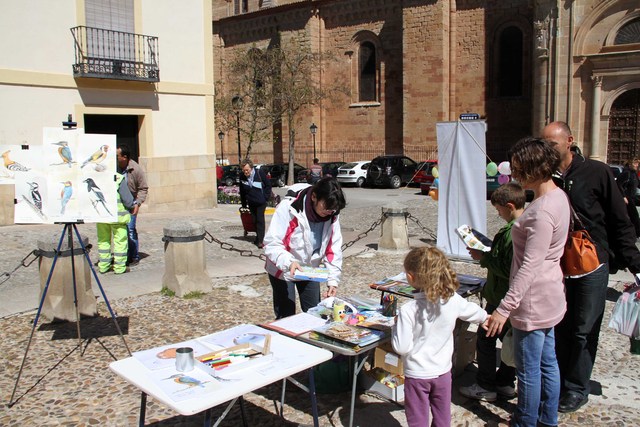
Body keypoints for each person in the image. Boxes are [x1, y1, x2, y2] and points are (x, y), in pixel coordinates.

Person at [542, 121, 640, 412]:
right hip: (559, 263)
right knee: (560, 324)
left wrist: (635, 263)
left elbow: (620, 220)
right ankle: (557, 380)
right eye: (543, 144)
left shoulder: (597, 172)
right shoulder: (547, 177)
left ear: (570, 141)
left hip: (592, 263)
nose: (548, 149)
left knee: (584, 328)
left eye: (553, 144)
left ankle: (576, 387)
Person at [484, 137, 569, 427]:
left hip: (532, 301)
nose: (515, 173)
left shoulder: (543, 212)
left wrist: (504, 308)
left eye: (519, 168)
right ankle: (548, 419)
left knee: (529, 369)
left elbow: (530, 265)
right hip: (549, 294)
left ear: (534, 168)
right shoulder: (557, 197)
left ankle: (527, 422)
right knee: (548, 362)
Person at [392, 247, 487, 427]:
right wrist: (485, 318)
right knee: (442, 414)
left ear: (411, 277)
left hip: (417, 374)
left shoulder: (408, 310)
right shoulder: (452, 300)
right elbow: (471, 311)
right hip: (443, 371)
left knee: (418, 417)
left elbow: (402, 347)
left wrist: (395, 326)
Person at [459, 182, 525, 402]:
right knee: (508, 340)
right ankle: (505, 382)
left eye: (498, 210)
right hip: (507, 295)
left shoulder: (513, 231)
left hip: (501, 297)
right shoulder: (523, 225)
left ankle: (485, 385)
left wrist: (483, 258)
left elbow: (509, 268)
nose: (498, 214)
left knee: (486, 340)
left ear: (509, 206)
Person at [263, 177, 346, 318]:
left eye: (332, 210)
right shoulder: (289, 208)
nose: (329, 212)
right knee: (286, 316)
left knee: (315, 313)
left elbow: (333, 249)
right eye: (326, 208)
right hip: (283, 268)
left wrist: (333, 281)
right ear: (314, 197)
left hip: (310, 269)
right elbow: (272, 243)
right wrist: (289, 262)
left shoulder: (332, 214)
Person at [116, 146, 149, 266]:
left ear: (124, 157)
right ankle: (122, 255)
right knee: (119, 231)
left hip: (131, 204)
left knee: (130, 230)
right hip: (117, 205)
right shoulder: (114, 167)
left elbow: (143, 188)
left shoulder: (135, 169)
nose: (116, 158)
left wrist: (137, 203)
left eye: (117, 156)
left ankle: (134, 256)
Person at [97, 174, 135, 274]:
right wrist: (132, 206)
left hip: (102, 216)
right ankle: (119, 267)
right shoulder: (118, 178)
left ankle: (104, 266)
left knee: (103, 241)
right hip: (118, 217)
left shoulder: (96, 176)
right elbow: (128, 200)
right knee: (120, 242)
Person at [239, 159, 272, 248]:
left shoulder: (259, 173)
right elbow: (242, 191)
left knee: (260, 220)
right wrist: (244, 204)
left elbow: (268, 185)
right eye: (244, 170)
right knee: (254, 220)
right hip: (251, 202)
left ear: (251, 168)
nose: (246, 172)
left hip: (261, 202)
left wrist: (265, 197)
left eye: (247, 170)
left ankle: (260, 240)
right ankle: (258, 237)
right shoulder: (242, 176)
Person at [616, 158, 640, 238]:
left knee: (629, 217)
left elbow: (637, 184)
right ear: (630, 164)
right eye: (635, 163)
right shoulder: (626, 173)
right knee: (634, 216)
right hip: (627, 198)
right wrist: (623, 197)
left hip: (632, 197)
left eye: (637, 164)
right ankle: (636, 233)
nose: (637, 165)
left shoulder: (634, 174)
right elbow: (618, 185)